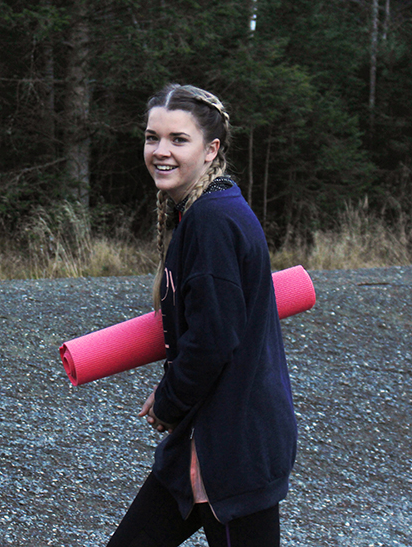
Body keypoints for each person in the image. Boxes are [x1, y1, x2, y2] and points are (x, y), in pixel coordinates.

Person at [107, 84, 297, 547]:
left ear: (211, 150)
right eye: (153, 137)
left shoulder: (213, 220)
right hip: (203, 440)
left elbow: (213, 339)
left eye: (178, 139)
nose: (160, 151)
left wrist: (170, 400)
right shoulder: (205, 210)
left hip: (233, 449)